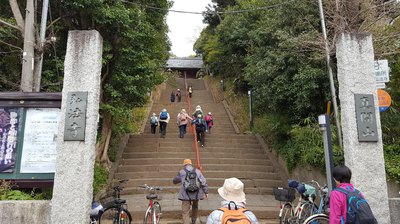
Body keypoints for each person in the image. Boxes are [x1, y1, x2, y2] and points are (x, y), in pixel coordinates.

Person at [173, 159, 208, 224]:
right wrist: (206, 192)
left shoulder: (182, 172)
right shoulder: (198, 171)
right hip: (196, 193)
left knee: (185, 211)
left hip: (185, 194)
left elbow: (175, 181)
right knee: (195, 207)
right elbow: (203, 182)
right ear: (191, 164)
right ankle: (193, 221)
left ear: (184, 164)